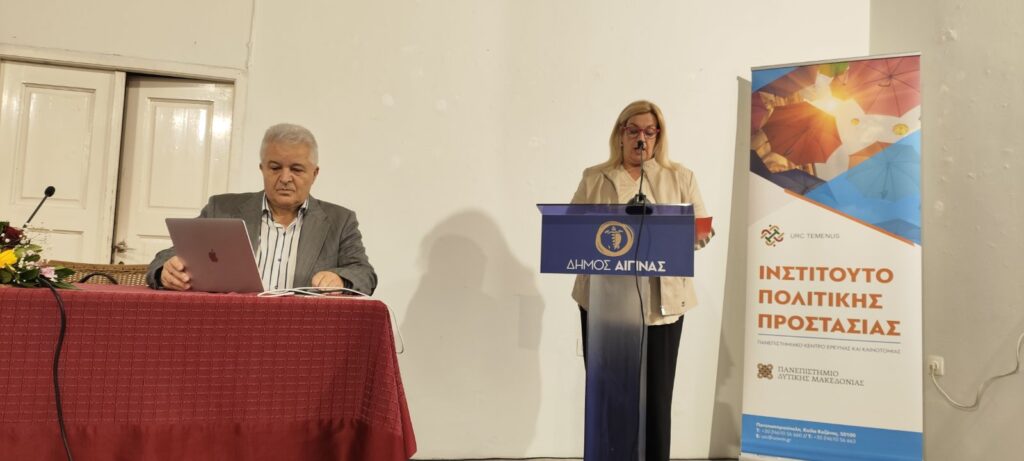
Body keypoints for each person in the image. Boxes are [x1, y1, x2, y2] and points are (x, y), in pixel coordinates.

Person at [570, 100, 712, 460]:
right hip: (606, 306)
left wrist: (675, 234)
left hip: (660, 305)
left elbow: (702, 232)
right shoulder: (594, 177)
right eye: (633, 130)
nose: (641, 139)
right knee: (610, 395)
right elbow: (569, 228)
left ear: (659, 137)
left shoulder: (680, 177)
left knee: (656, 399)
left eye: (649, 132)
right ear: (620, 134)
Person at [146, 123, 377, 294]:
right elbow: (167, 257)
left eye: (296, 169)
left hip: (301, 334)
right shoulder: (222, 209)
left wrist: (341, 279)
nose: (285, 178)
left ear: (314, 174)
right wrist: (164, 271)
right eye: (275, 168)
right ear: (262, 168)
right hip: (230, 328)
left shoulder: (340, 221)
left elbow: (364, 274)